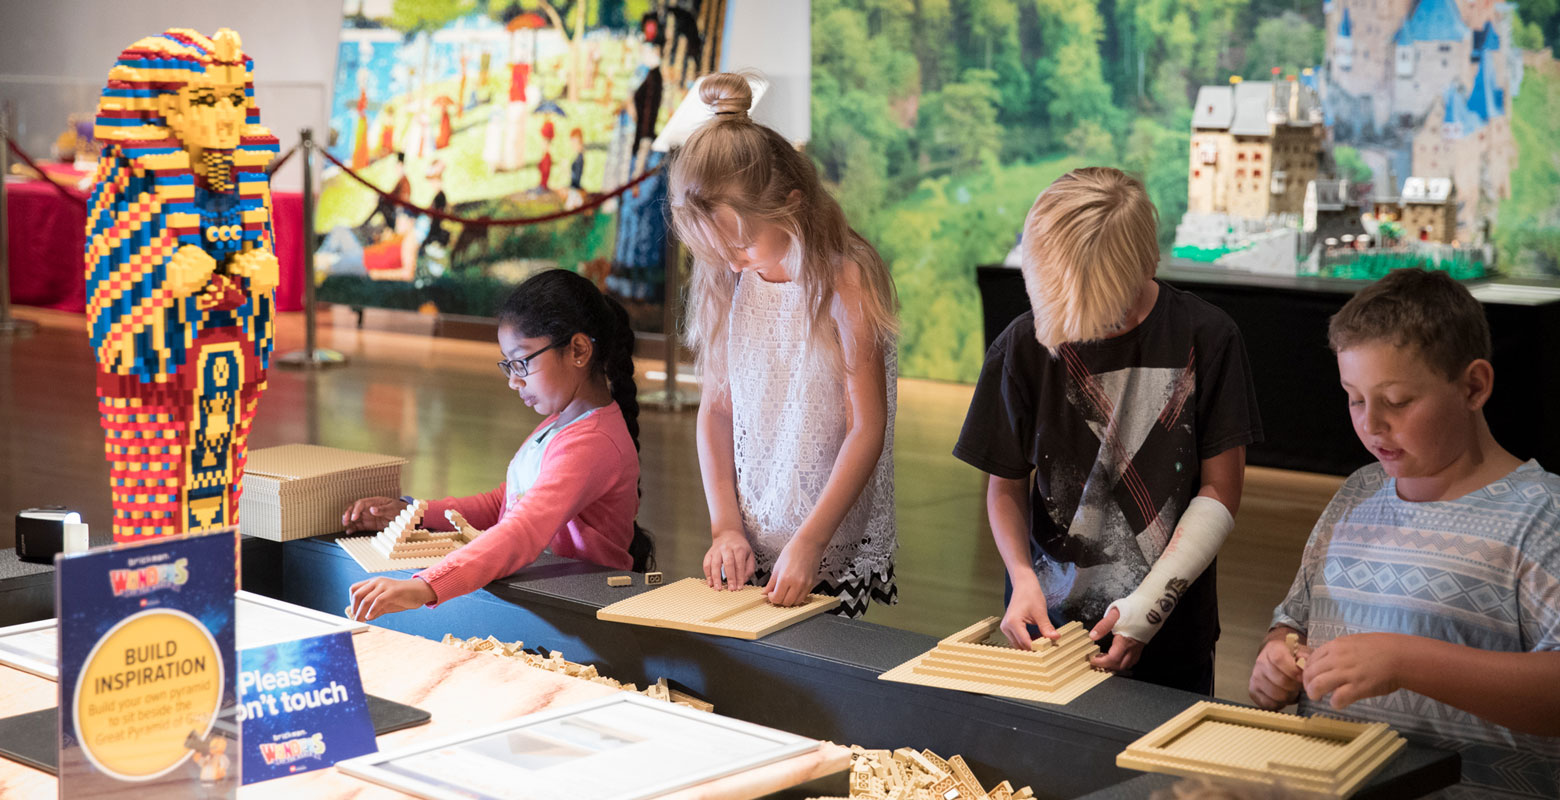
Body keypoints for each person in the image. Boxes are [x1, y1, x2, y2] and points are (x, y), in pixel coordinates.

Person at [1252, 269, 1560, 798]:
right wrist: (1279, 655)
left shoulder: (1542, 514)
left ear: (1473, 385)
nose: (1372, 424)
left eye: (1396, 400)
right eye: (1354, 398)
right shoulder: (1356, 494)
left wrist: (1405, 661)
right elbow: (1294, 620)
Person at [954, 167, 1262, 693]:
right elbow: (1004, 485)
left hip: (1170, 628)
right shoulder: (1022, 345)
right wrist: (1021, 578)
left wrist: (1149, 605)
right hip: (1046, 628)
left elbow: (1220, 489)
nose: (1090, 332)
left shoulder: (1208, 337)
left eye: (1104, 315)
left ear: (1149, 262)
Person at [668, 73, 899, 618]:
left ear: (790, 205)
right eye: (713, 250)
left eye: (742, 244)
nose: (728, 261)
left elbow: (865, 426)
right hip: (752, 530)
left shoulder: (844, 278)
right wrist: (725, 525)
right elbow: (718, 408)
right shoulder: (726, 274)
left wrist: (813, 541)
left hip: (828, 533)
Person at [342, 269, 652, 620]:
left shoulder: (593, 441)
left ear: (578, 350)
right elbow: (504, 504)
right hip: (548, 599)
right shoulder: (561, 423)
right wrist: (412, 513)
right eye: (509, 365)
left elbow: (523, 530)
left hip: (581, 613)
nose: (514, 381)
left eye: (522, 362)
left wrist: (425, 586)